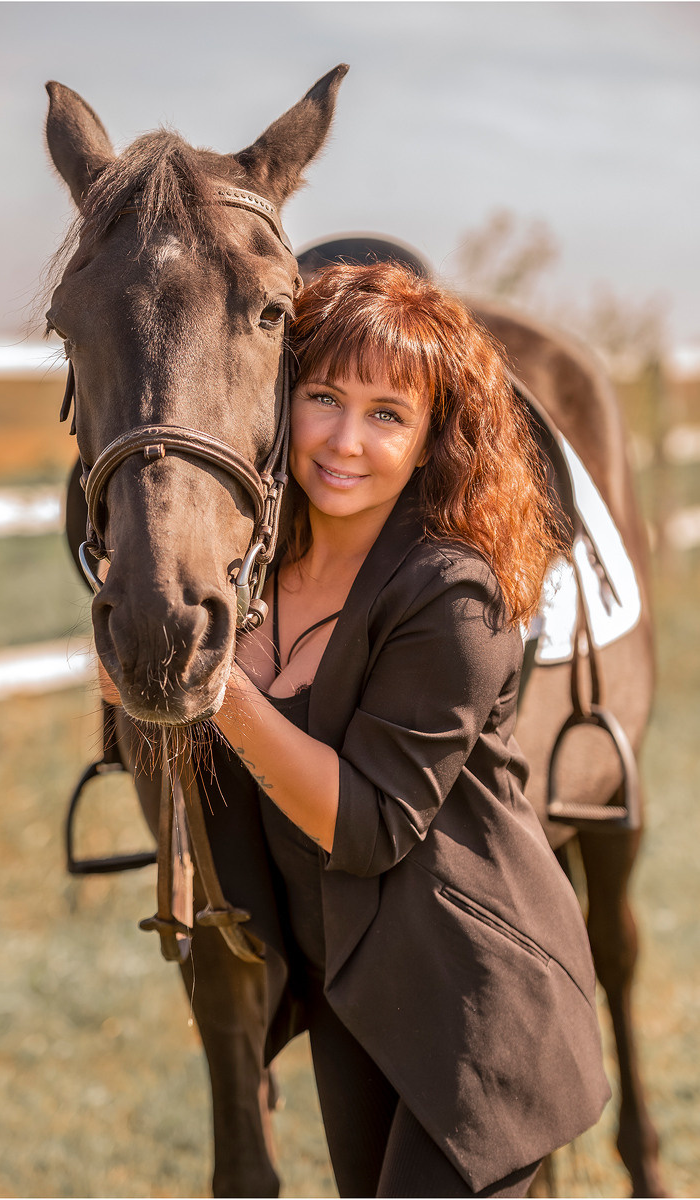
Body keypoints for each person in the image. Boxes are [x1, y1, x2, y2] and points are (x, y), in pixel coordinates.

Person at [197, 262, 610, 1198]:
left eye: (388, 413)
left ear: (430, 441)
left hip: (478, 1007)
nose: (346, 440)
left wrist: (216, 688)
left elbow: (371, 824)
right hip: (361, 997)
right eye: (323, 397)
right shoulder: (253, 572)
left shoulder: (454, 591)